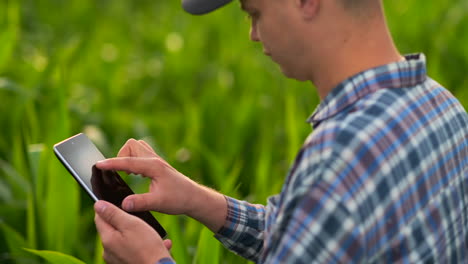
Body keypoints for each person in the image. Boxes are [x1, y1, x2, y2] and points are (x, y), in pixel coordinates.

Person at [93, 0, 468, 263]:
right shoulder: (442, 107)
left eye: (255, 12)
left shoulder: (338, 157)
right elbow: (321, 237)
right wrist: (197, 200)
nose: (254, 34)